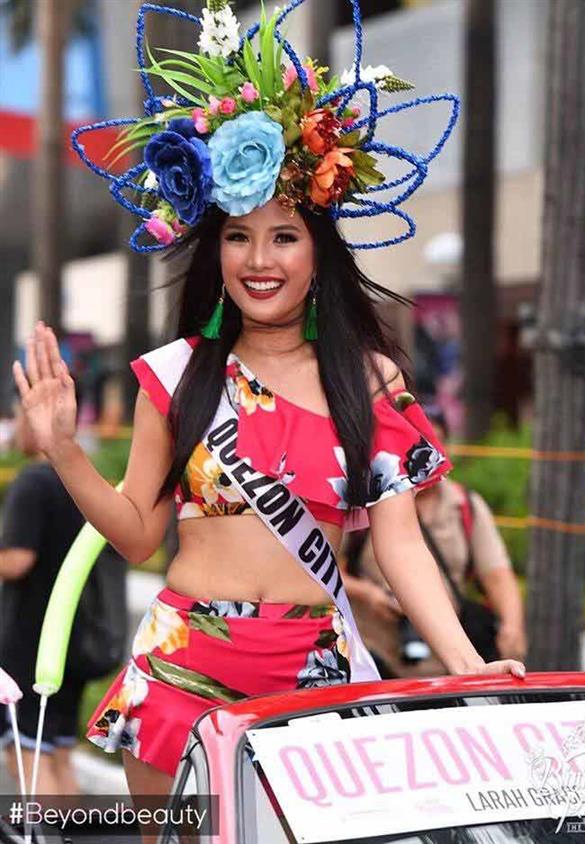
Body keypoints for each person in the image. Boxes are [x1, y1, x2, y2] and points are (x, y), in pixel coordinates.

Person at [14, 2, 526, 827]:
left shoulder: (371, 380)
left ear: (318, 249)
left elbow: (399, 542)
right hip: (184, 663)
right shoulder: (174, 377)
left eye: (283, 236)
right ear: (212, 251)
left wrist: (468, 663)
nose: (259, 260)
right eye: (237, 237)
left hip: (315, 669)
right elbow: (141, 536)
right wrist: (66, 451)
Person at [343, 408, 527, 675]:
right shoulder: (366, 498)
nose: (424, 452)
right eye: (414, 442)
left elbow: (497, 574)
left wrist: (512, 627)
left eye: (432, 442)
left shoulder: (465, 505)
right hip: (376, 654)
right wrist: (368, 594)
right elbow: (324, 568)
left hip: (446, 662)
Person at [0, 402, 85, 795]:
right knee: (58, 754)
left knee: (28, 757)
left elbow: (17, 561)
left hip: (31, 642)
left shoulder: (33, 482)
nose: (16, 424)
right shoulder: (81, 479)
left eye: (20, 412)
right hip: (75, 636)